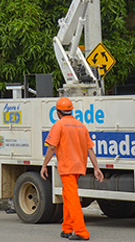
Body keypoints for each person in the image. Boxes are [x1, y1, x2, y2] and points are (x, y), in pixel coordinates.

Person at [41, 97, 104, 241]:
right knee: (67, 196)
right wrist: (96, 168)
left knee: (72, 198)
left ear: (58, 112)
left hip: (67, 167)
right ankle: (67, 228)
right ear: (70, 111)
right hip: (78, 167)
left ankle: (81, 232)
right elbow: (90, 149)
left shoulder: (59, 125)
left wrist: (44, 165)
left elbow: (51, 147)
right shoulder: (81, 125)